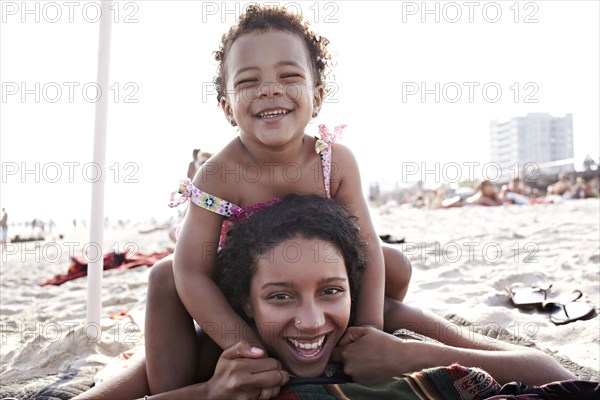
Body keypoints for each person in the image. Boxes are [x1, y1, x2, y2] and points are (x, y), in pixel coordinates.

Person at [74, 195, 575, 399]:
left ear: (350, 290)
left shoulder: (373, 332)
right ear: (245, 304)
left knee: (390, 265)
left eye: (331, 291)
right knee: (164, 278)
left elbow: (556, 375)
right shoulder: (216, 352)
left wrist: (412, 353)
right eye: (280, 297)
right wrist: (208, 393)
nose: (312, 321)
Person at [149, 4, 412, 394]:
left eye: (288, 76)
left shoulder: (333, 160)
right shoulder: (218, 174)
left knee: (394, 264)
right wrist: (247, 346)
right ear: (227, 108)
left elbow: (366, 247)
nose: (270, 89)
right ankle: (175, 388)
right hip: (246, 287)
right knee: (163, 277)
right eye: (248, 82)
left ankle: (334, 341)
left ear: (317, 96)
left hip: (308, 284)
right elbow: (191, 272)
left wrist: (367, 330)